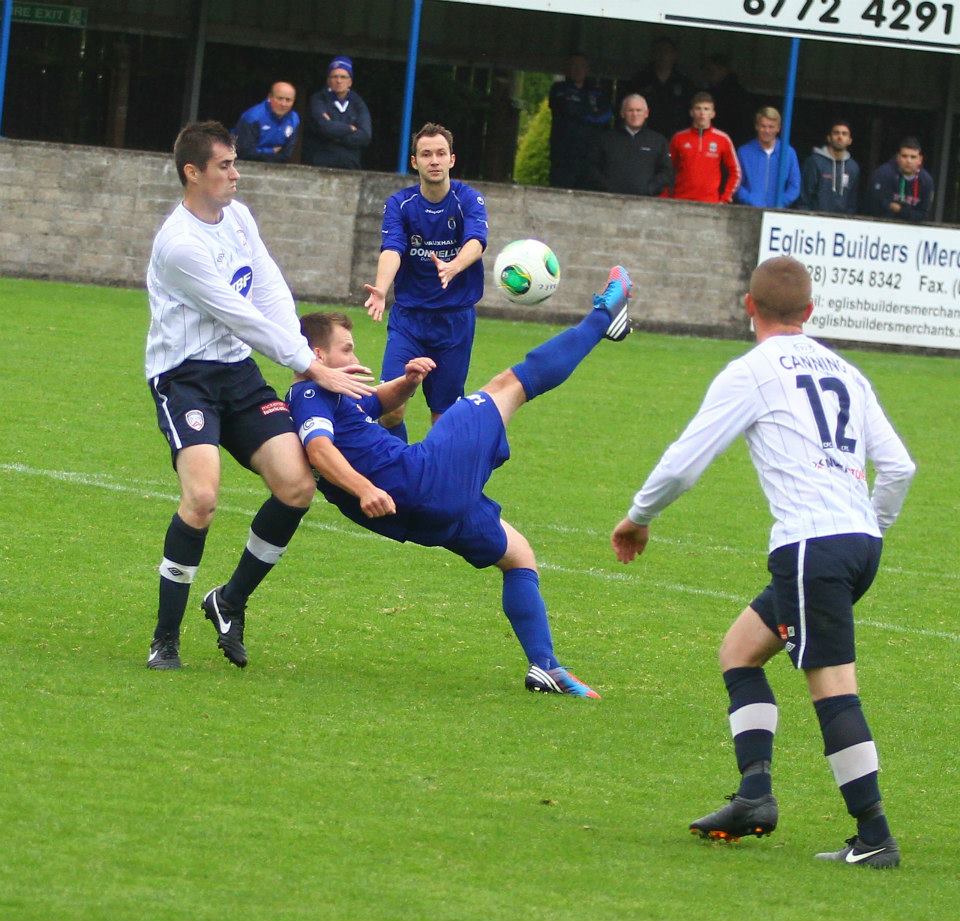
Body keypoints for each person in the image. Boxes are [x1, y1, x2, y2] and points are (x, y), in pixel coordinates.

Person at [610, 256, 915, 868]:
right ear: (809, 312)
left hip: (812, 547)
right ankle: (754, 797)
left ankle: (875, 834)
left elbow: (685, 461)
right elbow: (901, 467)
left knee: (833, 687)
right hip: (854, 546)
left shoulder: (753, 371)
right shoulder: (847, 371)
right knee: (740, 652)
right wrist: (867, 531)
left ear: (748, 306)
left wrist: (637, 517)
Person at [288, 267, 633, 697]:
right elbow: (318, 448)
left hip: (416, 518)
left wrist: (409, 381)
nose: (355, 355)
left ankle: (547, 668)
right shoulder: (307, 394)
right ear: (317, 356)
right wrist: (364, 489)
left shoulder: (339, 395)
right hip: (420, 479)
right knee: (510, 384)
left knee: (519, 556)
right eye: (346, 348)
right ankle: (605, 315)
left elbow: (380, 402)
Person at [145, 121, 374, 671]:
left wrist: (306, 355)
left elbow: (268, 287)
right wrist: (312, 368)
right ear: (192, 173)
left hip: (238, 374)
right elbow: (239, 315)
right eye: (224, 165)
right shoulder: (179, 245)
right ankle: (165, 639)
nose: (235, 173)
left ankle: (229, 600)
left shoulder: (239, 218)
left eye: (235, 161)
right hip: (186, 378)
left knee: (296, 487)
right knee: (201, 499)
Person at [363, 123, 488, 443]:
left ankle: (438, 484)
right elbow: (393, 248)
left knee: (443, 416)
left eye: (441, 153)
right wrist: (381, 288)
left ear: (452, 160)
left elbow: (477, 240)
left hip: (454, 320)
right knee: (390, 407)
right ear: (415, 162)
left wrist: (454, 266)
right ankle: (396, 472)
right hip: (410, 318)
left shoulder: (469, 199)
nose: (434, 160)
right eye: (426, 154)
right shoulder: (400, 204)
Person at [548, 53, 612, 190]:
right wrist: (591, 114)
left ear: (587, 69)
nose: (578, 69)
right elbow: (568, 109)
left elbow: (606, 115)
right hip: (564, 155)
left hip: (590, 156)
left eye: (581, 66)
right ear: (567, 69)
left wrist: (584, 114)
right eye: (574, 66)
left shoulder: (597, 92)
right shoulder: (559, 89)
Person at [593, 94, 672, 197]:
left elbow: (666, 171)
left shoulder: (658, 141)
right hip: (610, 201)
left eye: (639, 110)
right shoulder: (606, 139)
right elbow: (592, 168)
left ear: (646, 113)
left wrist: (650, 189)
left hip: (646, 203)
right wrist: (607, 189)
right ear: (622, 113)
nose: (635, 114)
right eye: (630, 110)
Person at [669, 92, 741, 203]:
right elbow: (667, 170)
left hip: (710, 203)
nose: (702, 113)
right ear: (691, 112)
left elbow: (735, 172)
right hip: (680, 200)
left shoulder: (723, 139)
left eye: (706, 109)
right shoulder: (679, 138)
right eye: (698, 108)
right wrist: (667, 196)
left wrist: (725, 198)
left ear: (713, 114)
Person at [302, 55, 372, 170]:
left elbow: (365, 136)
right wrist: (349, 129)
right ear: (328, 80)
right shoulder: (319, 99)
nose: (339, 81)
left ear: (350, 81)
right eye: (334, 76)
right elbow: (323, 127)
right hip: (321, 163)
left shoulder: (358, 103)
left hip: (350, 164)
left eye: (343, 77)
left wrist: (334, 136)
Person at [625, 36, 696, 140]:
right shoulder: (640, 80)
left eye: (667, 52)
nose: (663, 55)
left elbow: (691, 113)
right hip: (644, 136)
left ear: (674, 55)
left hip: (675, 137)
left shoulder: (685, 83)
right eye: (659, 51)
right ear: (653, 55)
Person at [735, 106, 801, 209]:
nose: (767, 131)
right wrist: (751, 200)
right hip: (749, 210)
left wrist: (780, 202)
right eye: (763, 126)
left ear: (778, 128)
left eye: (771, 127)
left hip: (778, 212)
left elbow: (795, 185)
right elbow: (736, 183)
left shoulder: (788, 153)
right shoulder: (744, 152)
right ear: (756, 126)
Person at [867, 137, 934, 222]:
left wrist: (900, 210)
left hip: (913, 229)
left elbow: (923, 214)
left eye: (913, 157)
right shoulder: (883, 174)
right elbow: (874, 206)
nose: (908, 161)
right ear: (898, 157)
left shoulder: (926, 181)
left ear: (920, 160)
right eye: (904, 156)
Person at [799, 120, 859, 214]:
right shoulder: (814, 162)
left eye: (844, 134)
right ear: (829, 138)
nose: (840, 137)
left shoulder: (853, 167)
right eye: (836, 133)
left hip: (842, 223)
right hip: (815, 220)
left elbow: (853, 202)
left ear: (849, 140)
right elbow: (805, 197)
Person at [232, 81, 300, 163]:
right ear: (270, 97)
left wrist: (262, 152)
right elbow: (245, 152)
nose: (283, 104)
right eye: (280, 98)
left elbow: (286, 154)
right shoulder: (252, 117)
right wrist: (271, 151)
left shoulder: (294, 119)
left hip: (277, 167)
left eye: (288, 100)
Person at [703, 53, 752, 144]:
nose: (708, 75)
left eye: (712, 71)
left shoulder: (736, 95)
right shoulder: (711, 92)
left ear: (723, 70)